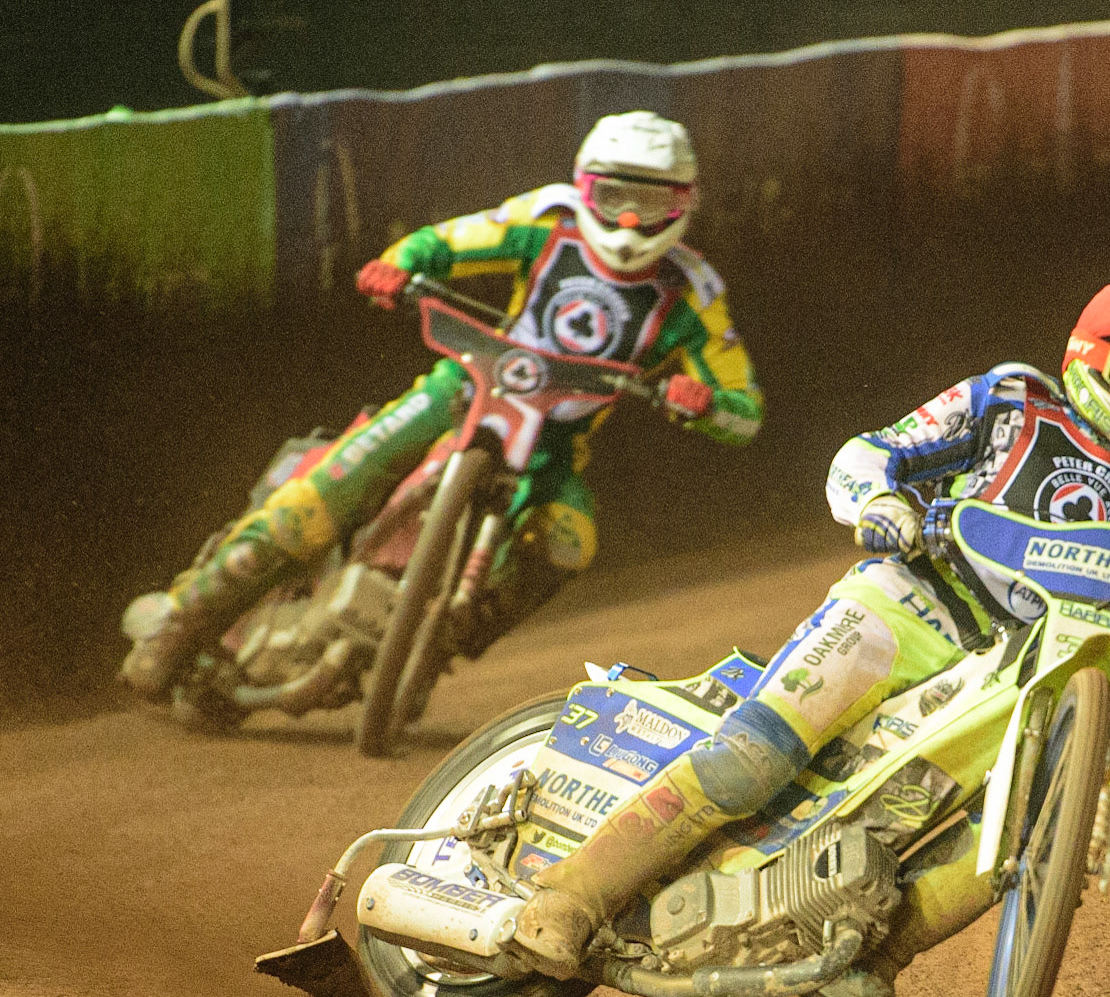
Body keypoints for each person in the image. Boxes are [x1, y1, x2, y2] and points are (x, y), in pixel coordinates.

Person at [503, 275, 1110, 997]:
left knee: (1029, 832)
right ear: (1092, 357)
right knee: (755, 756)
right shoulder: (1011, 402)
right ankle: (569, 896)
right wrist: (881, 504)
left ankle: (869, 956)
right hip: (912, 602)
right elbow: (869, 452)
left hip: (1032, 670)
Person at [121, 111, 764, 700]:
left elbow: (746, 410)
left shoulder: (693, 293)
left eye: (650, 202)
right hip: (458, 392)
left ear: (683, 204)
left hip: (556, 445)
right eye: (614, 197)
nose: (628, 220)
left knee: (572, 540)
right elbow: (446, 242)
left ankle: (439, 645)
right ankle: (177, 627)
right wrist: (397, 265)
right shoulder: (545, 222)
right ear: (584, 188)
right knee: (320, 496)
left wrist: (705, 401)